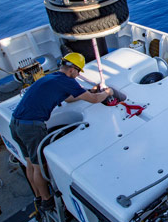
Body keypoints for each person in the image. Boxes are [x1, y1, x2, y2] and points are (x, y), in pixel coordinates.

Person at [10, 52, 114, 208]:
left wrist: (88, 91)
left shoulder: (50, 78)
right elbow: (93, 100)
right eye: (78, 72)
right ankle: (46, 200)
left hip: (16, 123)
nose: (78, 75)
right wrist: (107, 92)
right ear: (72, 70)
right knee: (40, 166)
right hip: (31, 127)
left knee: (30, 163)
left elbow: (69, 99)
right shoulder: (67, 80)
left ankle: (38, 196)